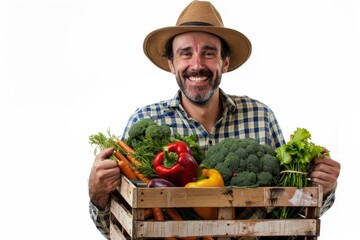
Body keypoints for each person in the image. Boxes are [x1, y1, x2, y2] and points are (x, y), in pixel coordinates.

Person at [88, 1, 341, 239]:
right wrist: (97, 195)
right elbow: (116, 226)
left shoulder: (261, 117)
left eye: (209, 53)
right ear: (171, 64)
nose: (197, 65)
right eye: (185, 54)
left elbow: (292, 210)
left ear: (225, 62)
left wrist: (324, 189)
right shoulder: (145, 120)